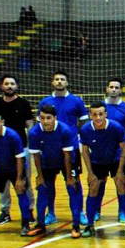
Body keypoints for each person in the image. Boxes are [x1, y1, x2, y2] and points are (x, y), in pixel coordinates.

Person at [38, 70, 89, 225]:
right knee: (48, 183)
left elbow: (84, 123)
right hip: (49, 151)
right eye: (57, 79)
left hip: (71, 150)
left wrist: (78, 139)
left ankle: (79, 212)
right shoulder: (45, 102)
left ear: (67, 83)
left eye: (62, 79)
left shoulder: (76, 101)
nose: (59, 82)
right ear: (52, 83)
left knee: (74, 182)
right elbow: (40, 125)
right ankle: (51, 213)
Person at [79, 102, 125, 238]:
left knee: (121, 186)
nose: (98, 117)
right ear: (90, 115)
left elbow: (124, 149)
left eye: (101, 114)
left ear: (106, 114)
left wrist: (120, 171)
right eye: (94, 114)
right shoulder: (86, 129)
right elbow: (85, 152)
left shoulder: (116, 127)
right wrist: (90, 173)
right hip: (97, 160)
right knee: (93, 188)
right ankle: (89, 225)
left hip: (116, 160)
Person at [27, 105, 83, 238]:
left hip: (68, 159)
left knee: (73, 188)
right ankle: (40, 224)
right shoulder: (34, 133)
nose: (45, 121)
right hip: (48, 161)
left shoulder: (65, 130)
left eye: (48, 118)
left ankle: (76, 225)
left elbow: (67, 155)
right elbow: (36, 156)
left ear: (55, 118)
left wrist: (69, 176)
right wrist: (40, 176)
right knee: (43, 189)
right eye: (42, 118)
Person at [0, 75, 35, 226]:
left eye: (12, 83)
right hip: (1, 151)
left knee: (25, 181)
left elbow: (30, 125)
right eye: (7, 84)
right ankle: (5, 212)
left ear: (16, 86)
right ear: (2, 86)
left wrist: (31, 145)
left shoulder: (23, 103)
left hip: (22, 149)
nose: (9, 86)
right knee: (3, 184)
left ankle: (29, 211)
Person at [97, 77, 125, 222]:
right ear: (107, 88)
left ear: (121, 90)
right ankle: (96, 211)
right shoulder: (100, 106)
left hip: (118, 154)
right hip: (100, 152)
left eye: (116, 87)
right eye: (111, 87)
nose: (113, 90)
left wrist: (118, 140)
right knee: (99, 182)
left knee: (121, 182)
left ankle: (122, 212)